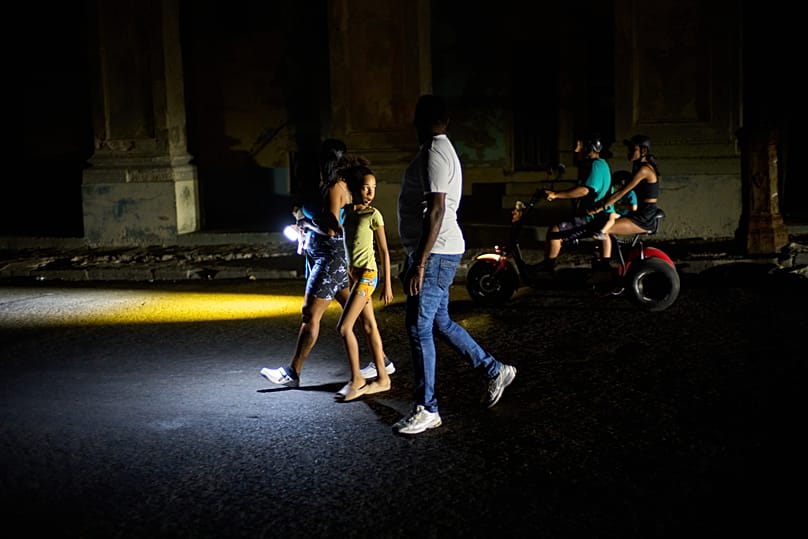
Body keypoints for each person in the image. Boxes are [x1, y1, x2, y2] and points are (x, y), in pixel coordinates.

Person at [394, 94, 517, 436]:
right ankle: (494, 369)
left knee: (419, 328)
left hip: (435, 254)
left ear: (419, 121)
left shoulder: (435, 151)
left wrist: (418, 263)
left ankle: (427, 408)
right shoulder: (441, 148)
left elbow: (437, 210)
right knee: (441, 323)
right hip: (438, 251)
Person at [260, 140, 395, 389]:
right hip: (333, 258)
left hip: (330, 259)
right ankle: (382, 363)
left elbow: (333, 229)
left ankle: (292, 373)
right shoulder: (340, 186)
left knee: (310, 314)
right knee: (363, 316)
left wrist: (304, 223)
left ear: (327, 162)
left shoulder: (335, 187)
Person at [334, 159, 395, 401]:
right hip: (353, 275)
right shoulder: (346, 213)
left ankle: (357, 379)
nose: (370, 193)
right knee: (369, 326)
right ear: (356, 188)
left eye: (374, 188)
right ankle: (383, 378)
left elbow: (384, 251)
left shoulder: (374, 214)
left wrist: (388, 284)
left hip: (368, 276)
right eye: (366, 188)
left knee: (344, 326)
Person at [538, 135, 614, 272]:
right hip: (588, 215)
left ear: (589, 148)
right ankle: (547, 265)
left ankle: (547, 268)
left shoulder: (596, 165)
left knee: (555, 230)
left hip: (590, 217)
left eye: (580, 146)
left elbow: (585, 190)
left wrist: (556, 195)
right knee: (556, 227)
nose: (576, 150)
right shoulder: (599, 165)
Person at [588, 134, 660, 260]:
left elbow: (622, 192)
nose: (629, 152)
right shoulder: (638, 167)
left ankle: (604, 266)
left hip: (643, 217)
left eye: (633, 149)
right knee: (604, 224)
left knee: (603, 229)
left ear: (643, 151)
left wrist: (599, 207)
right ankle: (607, 261)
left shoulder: (644, 170)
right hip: (639, 213)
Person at [593, 169, 638, 240]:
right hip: (614, 210)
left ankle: (601, 232)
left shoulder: (630, 193)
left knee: (612, 216)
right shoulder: (616, 190)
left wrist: (619, 206)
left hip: (623, 214)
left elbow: (634, 207)